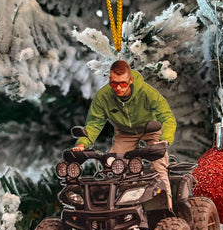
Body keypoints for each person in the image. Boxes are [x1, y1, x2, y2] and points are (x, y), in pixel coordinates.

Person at [73, 60, 176, 205]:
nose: (118, 88)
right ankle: (119, 208)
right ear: (110, 79)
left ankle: (167, 208)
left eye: (123, 83)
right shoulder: (103, 96)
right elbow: (94, 123)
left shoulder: (147, 93)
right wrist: (82, 144)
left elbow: (167, 117)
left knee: (159, 166)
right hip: (126, 133)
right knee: (114, 165)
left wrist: (165, 139)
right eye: (114, 83)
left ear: (131, 80)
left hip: (151, 130)